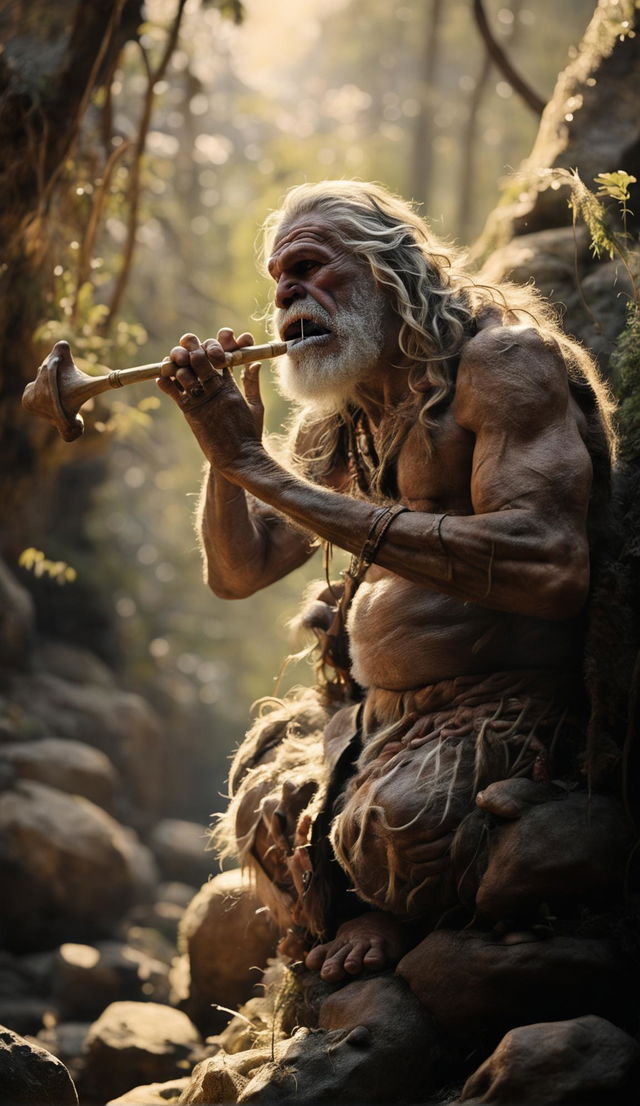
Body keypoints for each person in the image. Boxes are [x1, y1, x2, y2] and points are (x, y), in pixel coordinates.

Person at [159, 180, 621, 986]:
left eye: (309, 267)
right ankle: (371, 907)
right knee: (262, 807)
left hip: (501, 710)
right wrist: (227, 452)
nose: (288, 294)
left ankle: (396, 917)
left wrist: (257, 467)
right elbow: (239, 573)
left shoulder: (501, 361)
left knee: (396, 825)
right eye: (278, 282)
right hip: (379, 721)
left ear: (390, 267)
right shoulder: (340, 419)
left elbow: (550, 567)